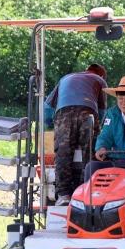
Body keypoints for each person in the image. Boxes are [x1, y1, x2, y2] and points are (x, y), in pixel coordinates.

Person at [45, 63, 108, 206]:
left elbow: (47, 106)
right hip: (88, 112)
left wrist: (50, 123)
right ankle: (88, 192)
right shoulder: (100, 81)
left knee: (63, 153)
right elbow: (103, 111)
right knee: (91, 152)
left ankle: (63, 195)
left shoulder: (66, 78)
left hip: (63, 112)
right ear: (102, 75)